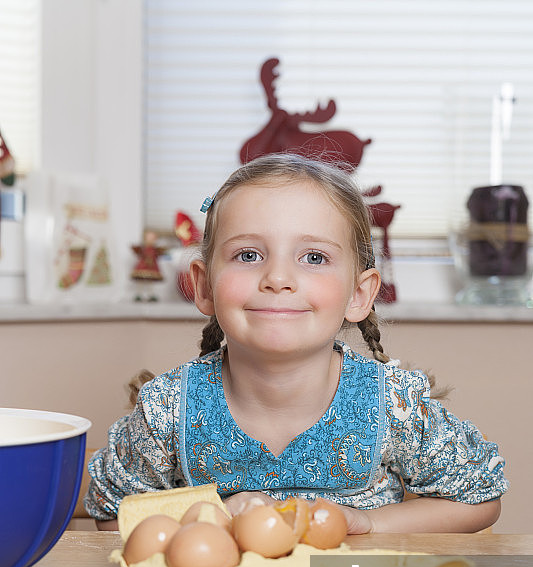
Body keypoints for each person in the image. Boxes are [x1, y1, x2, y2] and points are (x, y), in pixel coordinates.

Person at [85, 153, 507, 533]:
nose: (278, 278)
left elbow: (479, 498)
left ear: (359, 295)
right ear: (204, 286)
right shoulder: (166, 409)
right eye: (248, 255)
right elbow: (114, 513)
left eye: (314, 257)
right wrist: (207, 512)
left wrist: (368, 522)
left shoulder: (393, 404)